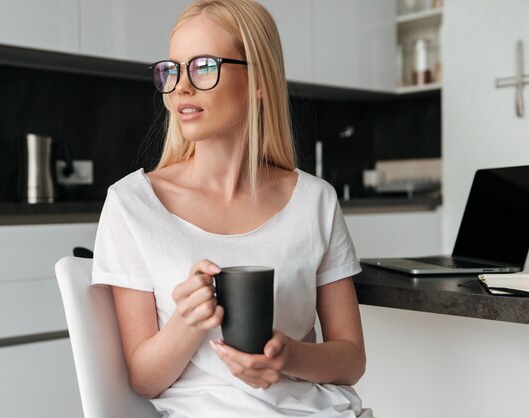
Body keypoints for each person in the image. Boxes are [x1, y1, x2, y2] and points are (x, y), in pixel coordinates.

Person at [92, 0, 373, 416]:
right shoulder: (132, 205)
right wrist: (186, 324)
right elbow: (143, 377)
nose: (181, 87)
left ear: (258, 79)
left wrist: (287, 357)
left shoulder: (315, 201)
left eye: (203, 67)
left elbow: (351, 361)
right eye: (172, 69)